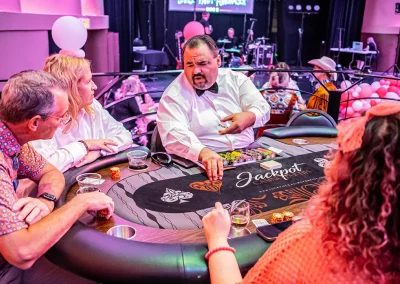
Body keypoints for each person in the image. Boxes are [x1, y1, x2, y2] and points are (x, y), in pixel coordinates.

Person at [202, 101, 400, 283]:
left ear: (353, 176)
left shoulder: (308, 242)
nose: (330, 164)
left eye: (340, 153)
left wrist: (218, 238)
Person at [0, 70, 114, 282]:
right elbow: (21, 253)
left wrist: (46, 200)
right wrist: (82, 201)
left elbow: (50, 172)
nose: (63, 122)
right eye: (61, 117)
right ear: (34, 123)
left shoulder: (11, 139)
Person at [156, 35, 270, 181]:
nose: (196, 71)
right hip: (203, 166)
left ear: (218, 61)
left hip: (249, 156)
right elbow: (173, 133)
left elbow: (262, 107)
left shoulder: (236, 80)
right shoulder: (173, 95)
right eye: (189, 64)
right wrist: (202, 152)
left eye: (202, 63)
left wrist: (251, 116)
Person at [29, 54, 134, 173]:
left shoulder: (92, 105)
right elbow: (42, 167)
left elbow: (125, 136)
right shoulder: (44, 117)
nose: (95, 86)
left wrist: (98, 151)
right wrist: (85, 145)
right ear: (71, 87)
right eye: (89, 81)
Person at [106, 75, 158, 147]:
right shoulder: (130, 98)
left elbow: (149, 103)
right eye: (138, 84)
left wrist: (144, 90)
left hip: (122, 127)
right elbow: (139, 112)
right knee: (150, 126)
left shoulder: (124, 96)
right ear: (135, 86)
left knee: (148, 125)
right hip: (127, 129)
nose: (140, 85)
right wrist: (149, 109)